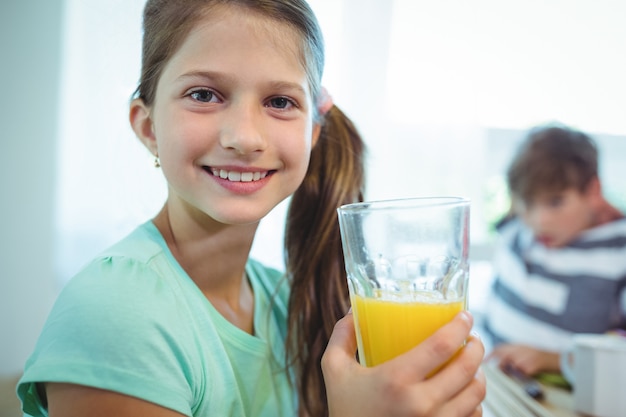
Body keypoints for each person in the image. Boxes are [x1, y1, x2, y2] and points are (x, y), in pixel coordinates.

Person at [17, 1, 486, 416]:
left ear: (313, 133)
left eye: (280, 102)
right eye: (203, 94)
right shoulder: (114, 314)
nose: (244, 137)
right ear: (148, 125)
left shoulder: (282, 300)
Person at [484, 124, 626, 377]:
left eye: (555, 202)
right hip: (492, 381)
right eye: (528, 202)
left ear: (593, 191)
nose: (539, 221)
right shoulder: (514, 229)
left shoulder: (617, 251)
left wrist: (555, 360)